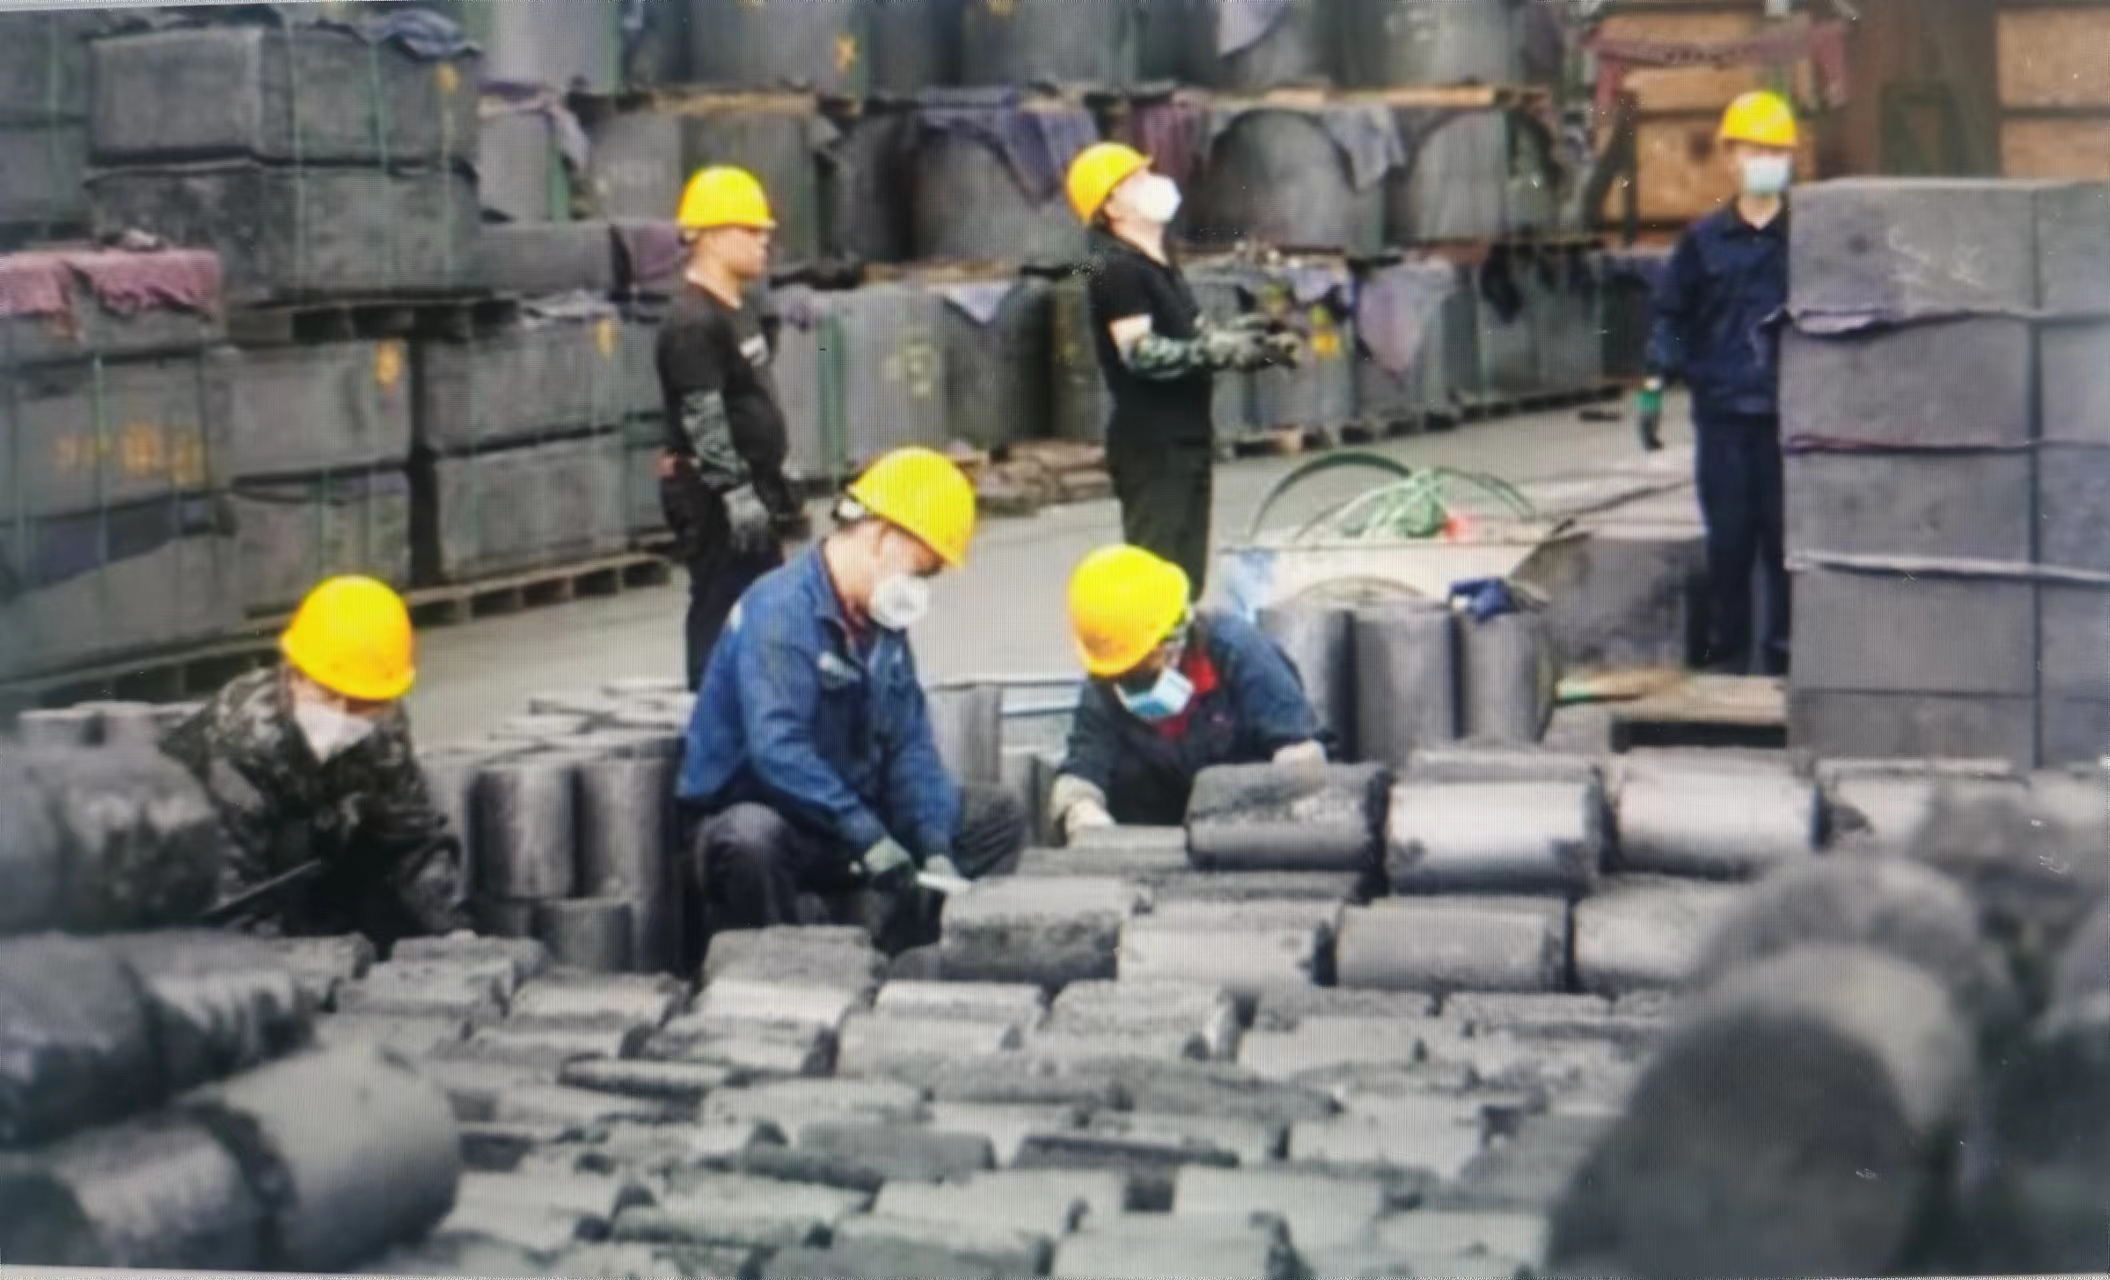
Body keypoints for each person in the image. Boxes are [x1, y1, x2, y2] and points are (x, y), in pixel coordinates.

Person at [678, 447, 1028, 946]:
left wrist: (933, 843)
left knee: (996, 816)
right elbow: (779, 751)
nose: (918, 589)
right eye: (919, 571)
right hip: (771, 817)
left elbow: (909, 743)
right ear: (883, 536)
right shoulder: (781, 613)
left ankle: (894, 959)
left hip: (841, 818)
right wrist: (866, 834)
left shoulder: (880, 624)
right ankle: (781, 971)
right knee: (752, 838)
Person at [159, 576, 467, 948]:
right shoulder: (239, 745)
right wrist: (307, 971)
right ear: (293, 672)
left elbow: (411, 841)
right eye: (326, 694)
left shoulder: (382, 724)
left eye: (359, 703)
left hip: (296, 852)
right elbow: (233, 907)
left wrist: (453, 933)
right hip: (187, 876)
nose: (341, 716)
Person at [1066, 142, 1298, 598]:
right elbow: (1141, 353)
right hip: (1154, 446)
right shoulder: (1116, 270)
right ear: (1111, 207)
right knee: (1156, 582)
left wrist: (1258, 346)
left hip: (1188, 438)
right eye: (1135, 181)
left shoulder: (1160, 265)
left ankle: (1181, 645)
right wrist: (1221, 351)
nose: (1153, 184)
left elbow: (1195, 336)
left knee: (1187, 583)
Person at [1637, 90, 1797, 677]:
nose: (1764, 160)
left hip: (1790, 421)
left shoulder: (1808, 239)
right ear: (1730, 156)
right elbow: (1672, 315)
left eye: (1775, 150)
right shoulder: (1703, 242)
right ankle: (1726, 663)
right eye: (1753, 149)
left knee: (1786, 546)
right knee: (1728, 544)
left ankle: (1784, 665)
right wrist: (1653, 386)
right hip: (1724, 418)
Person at [1048, 545, 1328, 837]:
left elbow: (1299, 753)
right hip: (1155, 837)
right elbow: (1083, 770)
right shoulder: (1108, 675)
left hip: (1246, 828)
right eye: (1126, 674)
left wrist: (1287, 825)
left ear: (1175, 637)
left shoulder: (1240, 654)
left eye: (1145, 666)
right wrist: (1083, 815)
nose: (1134, 681)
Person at [658, 164, 801, 690]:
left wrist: (775, 467)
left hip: (752, 487)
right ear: (713, 237)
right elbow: (704, 415)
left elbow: (749, 396)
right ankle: (708, 708)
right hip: (717, 495)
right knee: (720, 605)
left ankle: (755, 706)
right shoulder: (692, 323)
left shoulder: (739, 309)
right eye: (751, 229)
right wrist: (735, 493)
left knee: (764, 608)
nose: (764, 240)